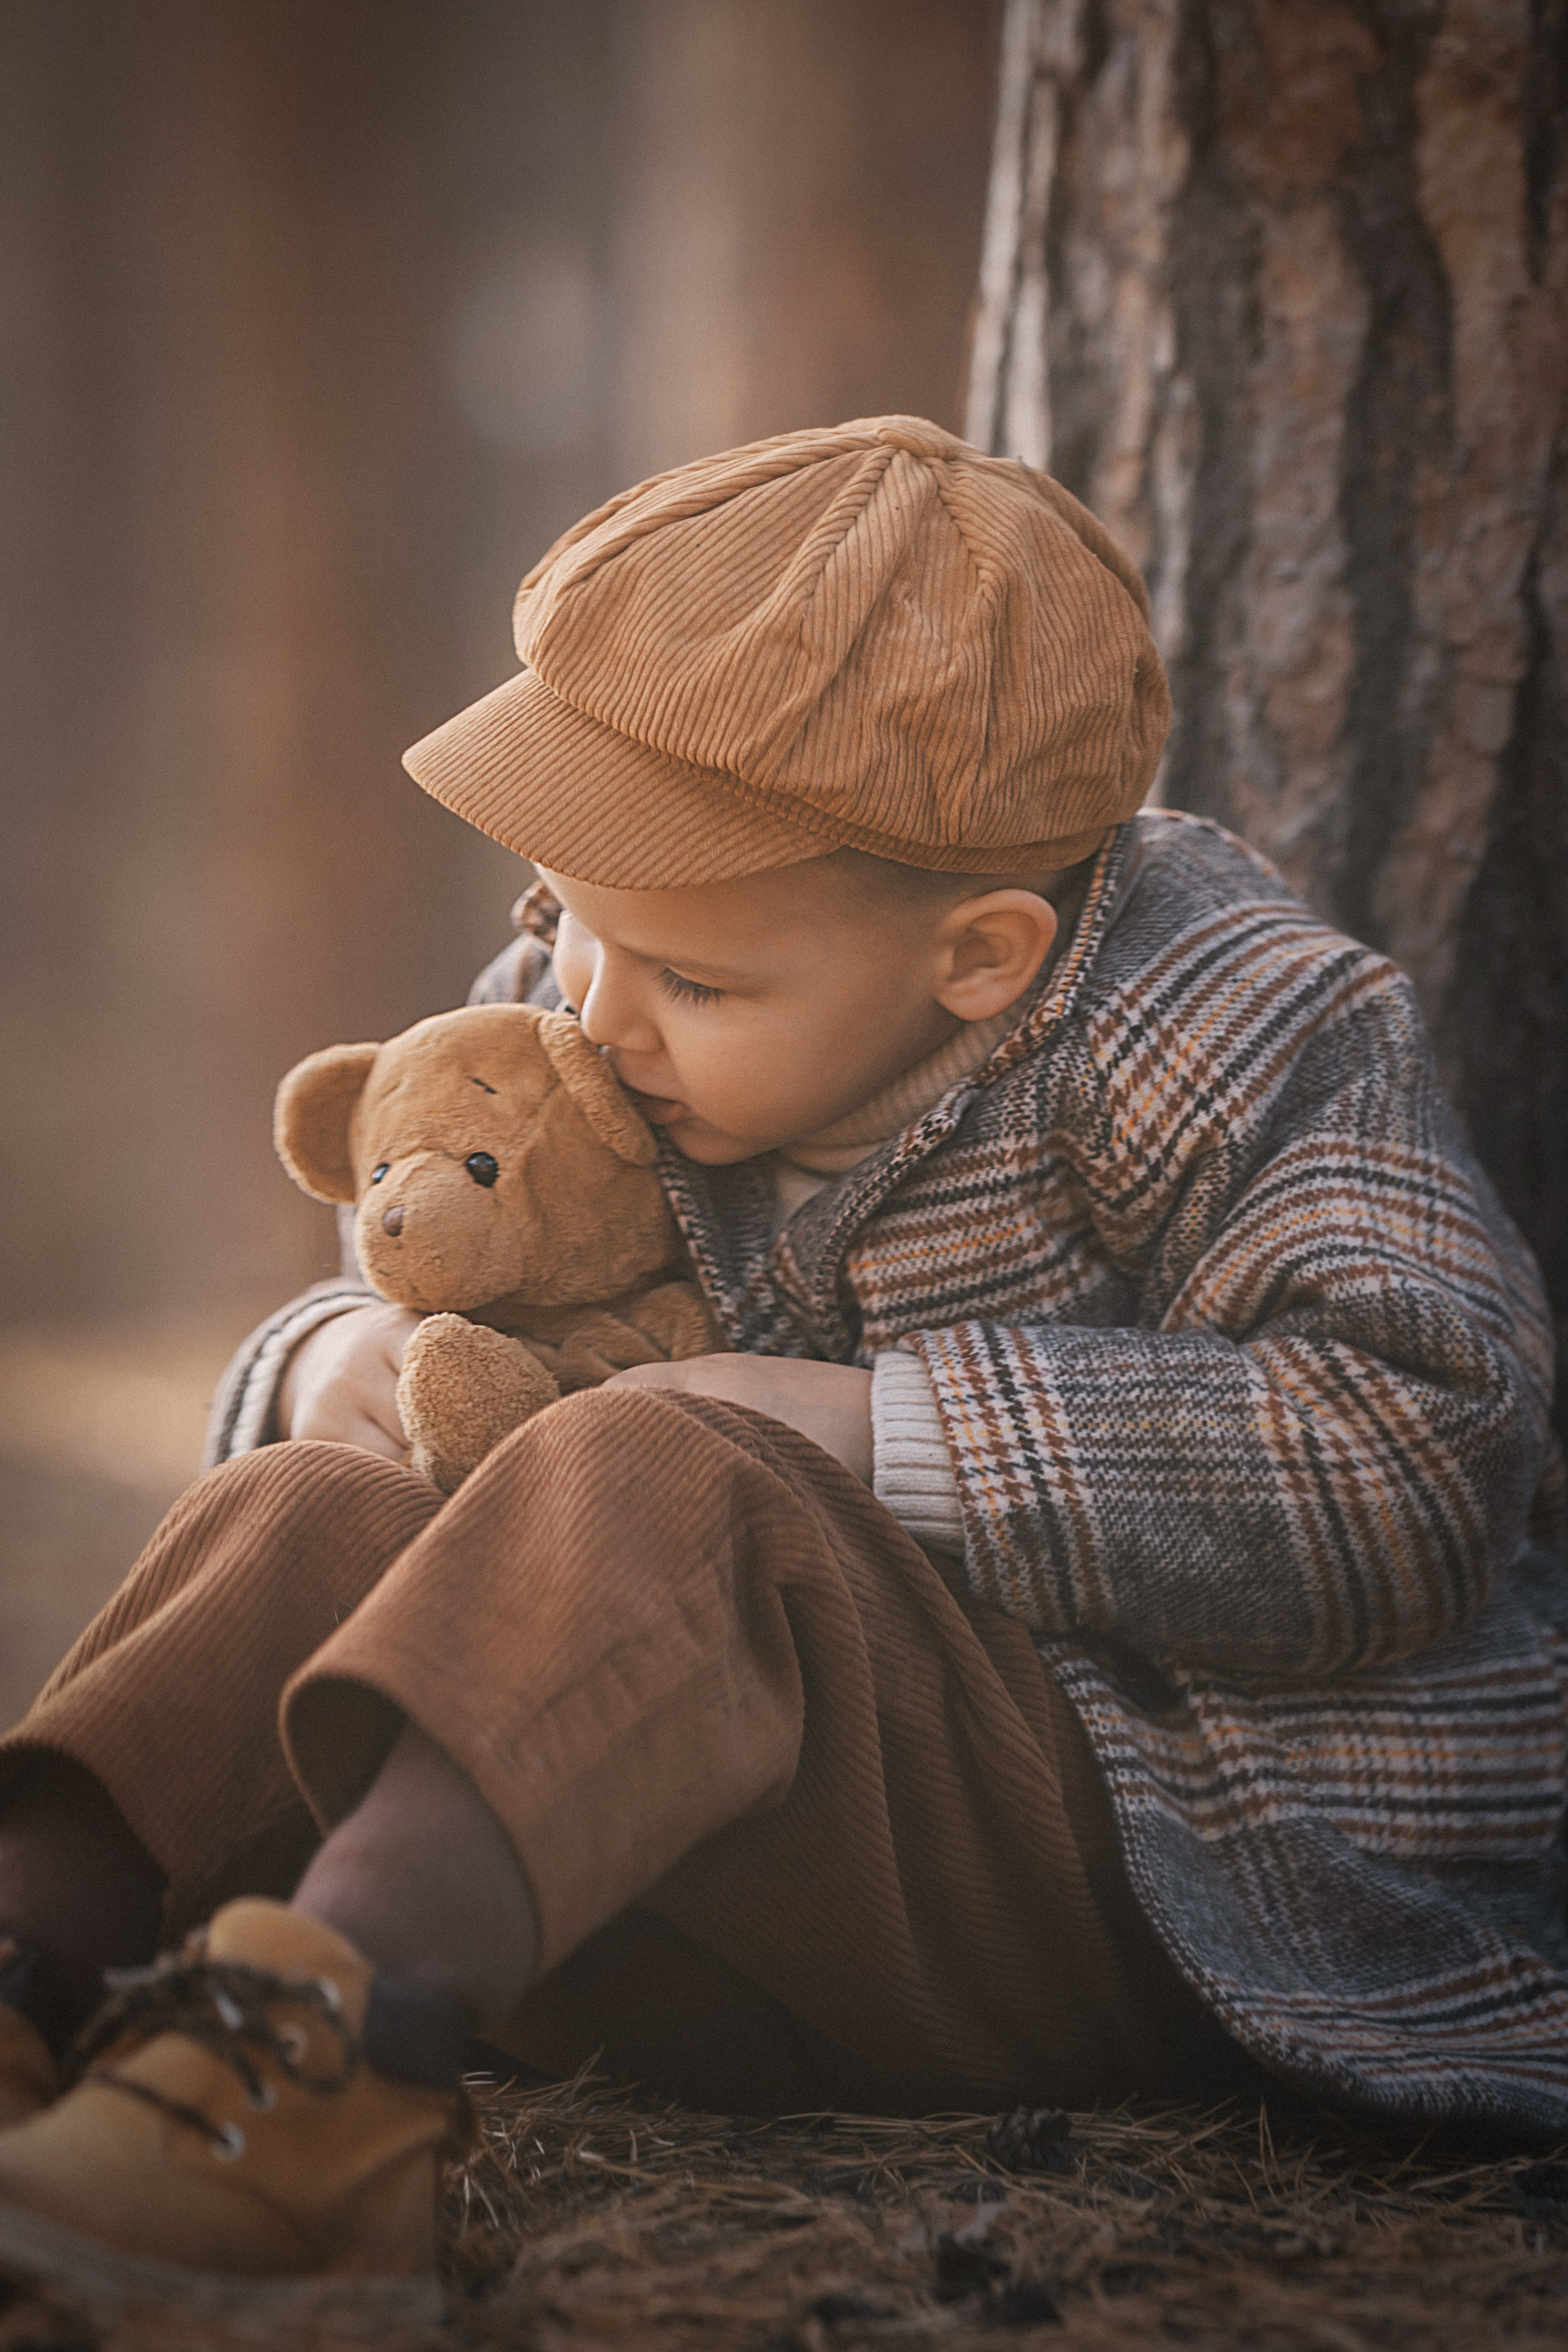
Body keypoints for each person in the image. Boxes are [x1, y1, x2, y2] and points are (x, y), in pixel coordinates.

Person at [0, 416, 1561, 2317]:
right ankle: (31, 1961)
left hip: (1153, 1864)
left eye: (694, 980)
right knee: (303, 1503)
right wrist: (348, 1351)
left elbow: (1416, 1455)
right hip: (675, 1860)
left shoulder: (1228, 1026)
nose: (588, 1009)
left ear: (980, 956)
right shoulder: (605, 987)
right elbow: (442, 1243)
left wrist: (880, 1430)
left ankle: (320, 2106)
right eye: (568, 919)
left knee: (670, 1471)